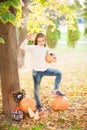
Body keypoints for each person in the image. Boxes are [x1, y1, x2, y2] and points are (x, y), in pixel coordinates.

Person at [20, 33, 65, 111]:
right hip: (37, 73)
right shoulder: (33, 48)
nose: (41, 43)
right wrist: (27, 39)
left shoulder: (46, 49)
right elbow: (22, 47)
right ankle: (39, 106)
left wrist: (53, 58)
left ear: (45, 41)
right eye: (39, 41)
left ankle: (56, 90)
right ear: (37, 41)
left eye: (43, 41)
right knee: (36, 89)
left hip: (45, 70)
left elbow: (49, 58)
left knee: (59, 73)